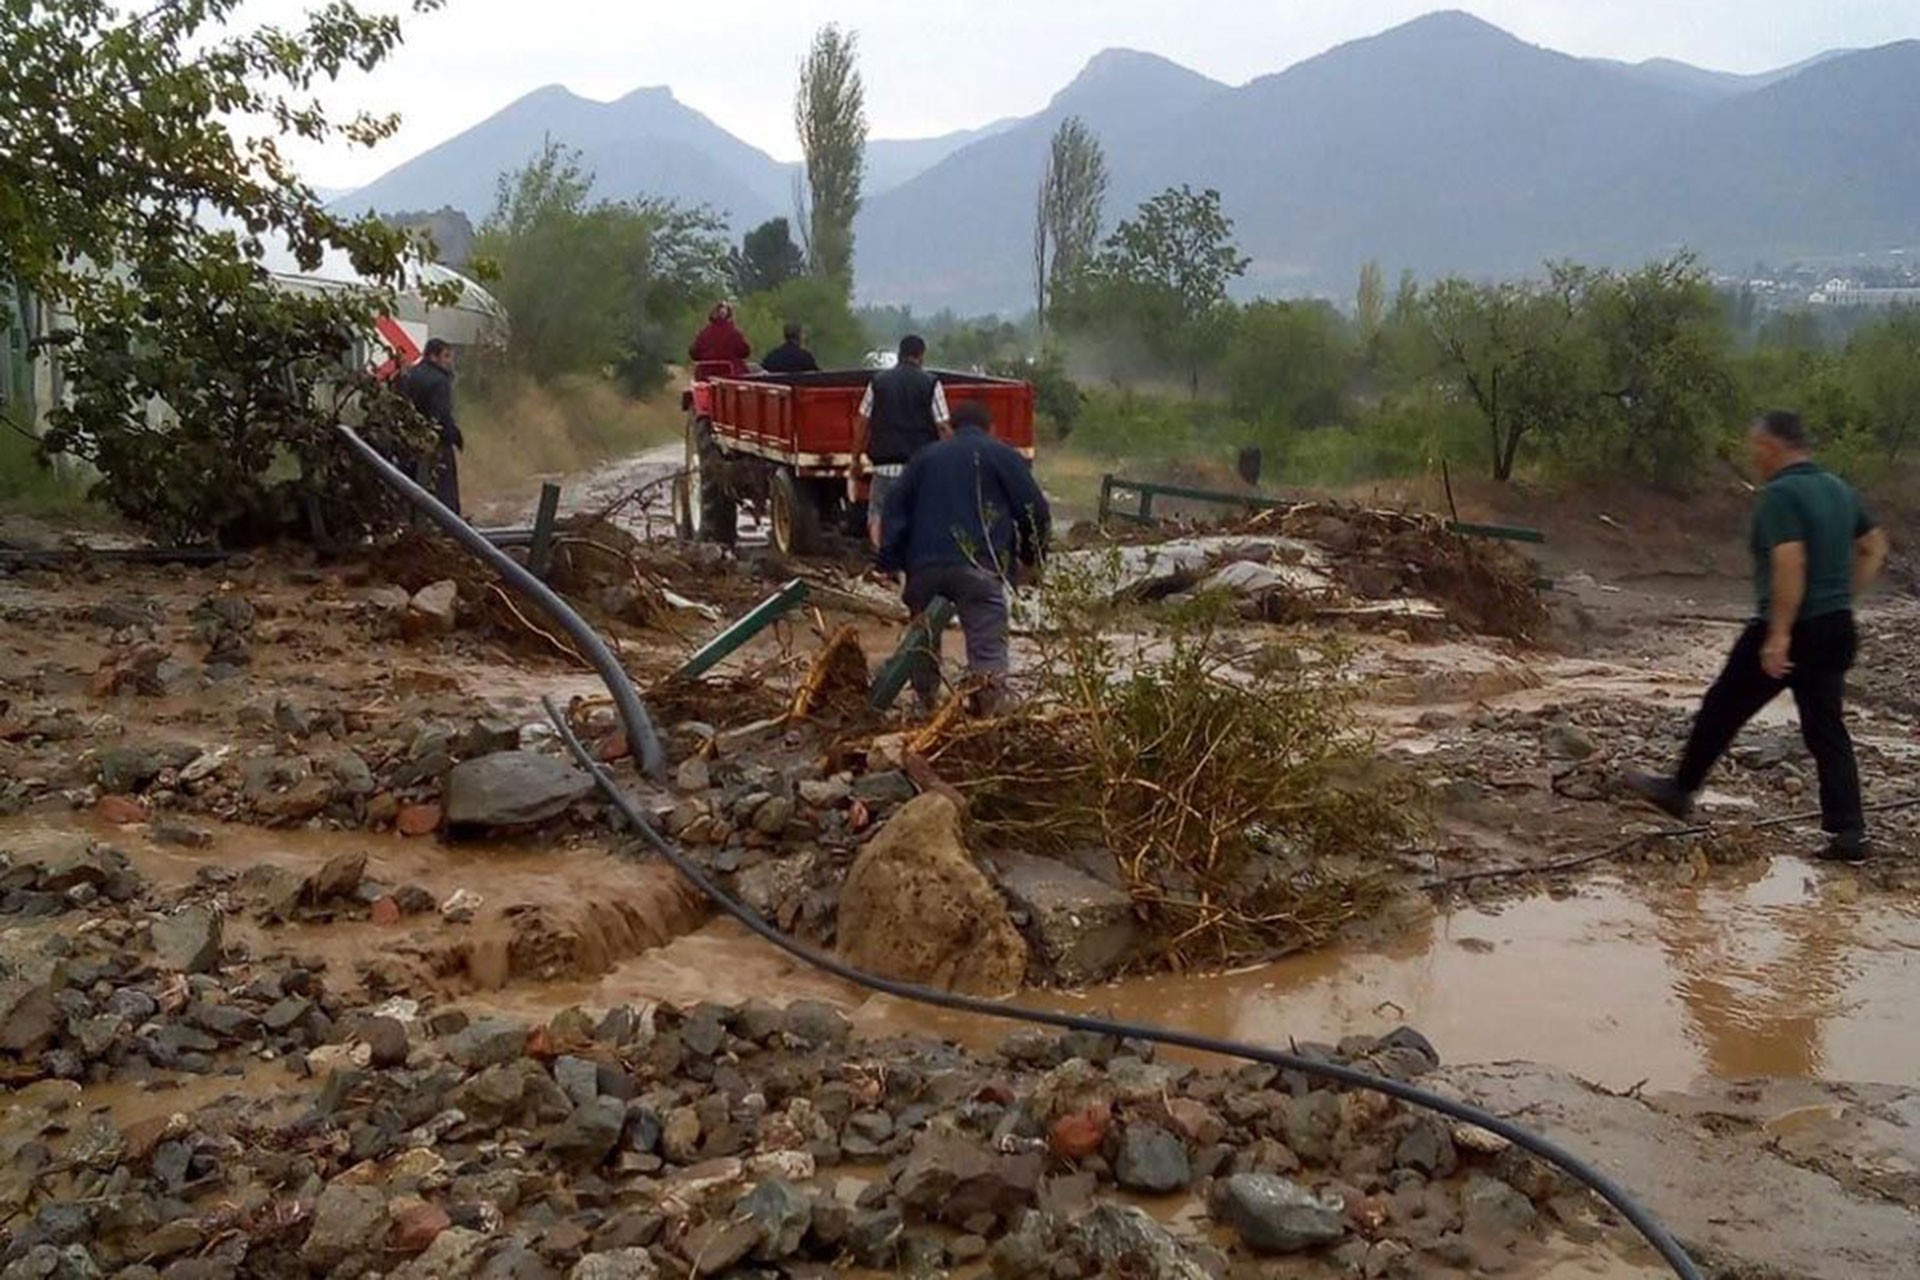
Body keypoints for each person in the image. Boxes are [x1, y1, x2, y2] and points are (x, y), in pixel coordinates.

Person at [1625, 410, 1889, 862]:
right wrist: (1844, 595)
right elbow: (1875, 547)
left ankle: (1680, 789)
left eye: (1756, 448)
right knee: (1827, 730)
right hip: (1835, 625)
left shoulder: (1780, 495)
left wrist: (1779, 634)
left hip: (1790, 625)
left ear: (1772, 446)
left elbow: (1789, 563)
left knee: (1723, 705)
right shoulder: (1838, 489)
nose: (1754, 458)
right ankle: (1850, 834)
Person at [876, 399, 1050, 715]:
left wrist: (892, 561)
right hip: (980, 565)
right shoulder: (1003, 455)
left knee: (923, 637)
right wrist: (1032, 557)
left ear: (950, 429)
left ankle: (924, 706)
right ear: (991, 428)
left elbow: (894, 509)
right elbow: (1034, 509)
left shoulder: (923, 458)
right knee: (986, 640)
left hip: (924, 566)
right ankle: (988, 709)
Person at [852, 334, 949, 548]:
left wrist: (855, 458)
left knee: (878, 512)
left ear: (899, 354)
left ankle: (883, 556)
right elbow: (942, 425)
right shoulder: (931, 383)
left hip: (885, 464)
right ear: (921, 355)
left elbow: (862, 421)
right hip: (920, 465)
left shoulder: (878, 382)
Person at [398, 338, 463, 515]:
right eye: (447, 356)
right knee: (444, 494)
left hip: (408, 444)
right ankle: (448, 530)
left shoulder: (409, 375)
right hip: (436, 446)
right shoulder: (440, 381)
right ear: (433, 357)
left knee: (413, 493)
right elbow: (441, 416)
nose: (450, 362)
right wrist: (455, 436)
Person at [688, 301, 750, 374]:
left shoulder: (704, 333)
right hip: (731, 374)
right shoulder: (734, 333)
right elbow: (745, 351)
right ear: (729, 315)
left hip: (706, 374)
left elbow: (694, 353)